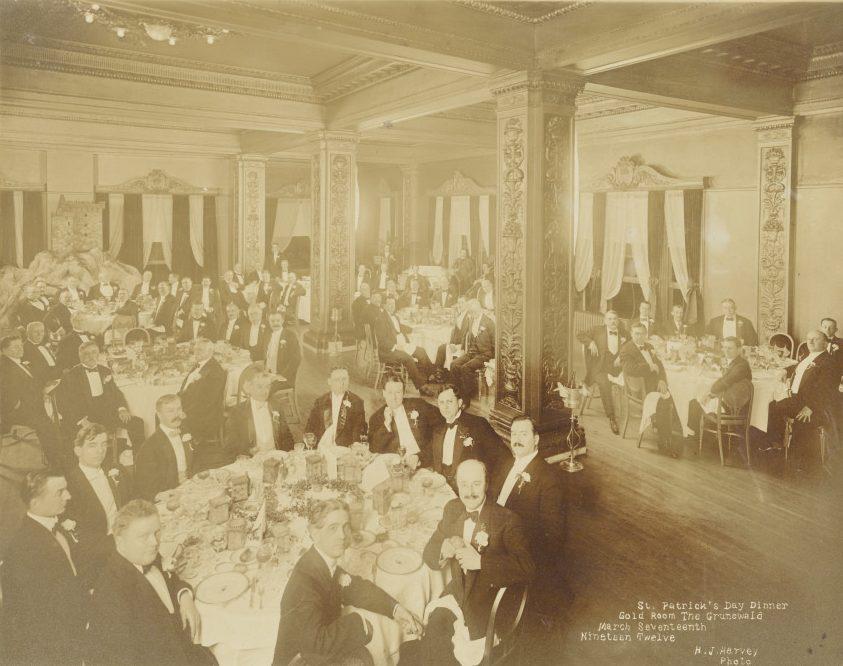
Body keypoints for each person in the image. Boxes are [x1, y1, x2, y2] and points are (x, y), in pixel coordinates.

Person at [401, 460, 534, 666]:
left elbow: (527, 568)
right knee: (434, 629)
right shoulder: (453, 509)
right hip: (458, 593)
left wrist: (481, 562)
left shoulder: (507, 520)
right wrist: (443, 549)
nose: (469, 492)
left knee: (448, 650)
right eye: (464, 484)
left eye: (476, 484)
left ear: (486, 484)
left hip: (487, 607)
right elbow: (429, 553)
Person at [273, 498, 421, 665]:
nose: (342, 535)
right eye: (333, 528)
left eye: (345, 527)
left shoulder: (320, 562)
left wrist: (396, 609)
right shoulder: (305, 582)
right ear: (314, 533)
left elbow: (356, 588)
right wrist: (359, 624)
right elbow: (316, 645)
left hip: (317, 652)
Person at [85, 500, 214, 666]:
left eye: (157, 532)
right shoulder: (111, 597)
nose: (154, 542)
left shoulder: (144, 555)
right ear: (119, 540)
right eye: (143, 536)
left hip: (183, 649)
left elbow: (170, 580)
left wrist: (184, 596)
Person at [0, 471, 86, 665]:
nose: (68, 496)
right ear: (35, 502)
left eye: (66, 489)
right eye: (60, 492)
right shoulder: (25, 549)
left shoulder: (54, 526)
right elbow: (35, 618)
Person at [488, 416, 566, 617]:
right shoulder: (506, 463)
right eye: (514, 434)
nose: (517, 439)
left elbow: (553, 533)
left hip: (518, 548)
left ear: (536, 439)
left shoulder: (549, 477)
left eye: (523, 434)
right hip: (493, 531)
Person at [64, 422, 129, 573]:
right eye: (92, 445)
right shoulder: (69, 485)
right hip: (99, 554)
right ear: (78, 450)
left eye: (103, 444)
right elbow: (80, 538)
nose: (100, 451)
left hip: (126, 536)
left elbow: (132, 501)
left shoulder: (116, 470)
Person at [57, 340, 145, 449]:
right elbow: (63, 403)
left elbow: (115, 392)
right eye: (86, 354)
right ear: (80, 356)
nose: (91, 356)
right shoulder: (71, 375)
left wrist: (122, 409)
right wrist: (81, 420)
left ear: (98, 354)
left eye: (94, 352)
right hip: (86, 416)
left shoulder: (105, 371)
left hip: (106, 414)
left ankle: (139, 457)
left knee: (137, 423)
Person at [766, 330, 839, 456]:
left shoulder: (828, 361)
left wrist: (811, 407)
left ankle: (782, 447)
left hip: (814, 404)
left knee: (775, 407)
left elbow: (828, 389)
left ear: (825, 343)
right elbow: (799, 368)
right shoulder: (810, 356)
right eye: (808, 338)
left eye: (815, 339)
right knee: (772, 405)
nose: (810, 341)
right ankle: (778, 444)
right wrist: (785, 370)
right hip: (798, 398)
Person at [1, 334, 64, 468]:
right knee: (47, 427)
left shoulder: (18, 362)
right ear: (4, 350)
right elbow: (7, 395)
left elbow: (29, 384)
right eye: (15, 347)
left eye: (20, 345)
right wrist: (21, 405)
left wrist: (44, 389)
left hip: (33, 407)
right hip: (19, 414)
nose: (20, 349)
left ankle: (58, 458)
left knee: (56, 416)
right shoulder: (4, 366)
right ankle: (56, 463)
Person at [429, 383, 506, 492]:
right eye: (441, 402)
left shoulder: (478, 424)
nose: (445, 407)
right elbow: (431, 455)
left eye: (449, 402)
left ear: (460, 403)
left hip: (468, 489)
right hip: (441, 485)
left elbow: (502, 456)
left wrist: (491, 489)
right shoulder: (437, 426)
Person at [620, 322, 682, 456]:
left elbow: (660, 365)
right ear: (631, 334)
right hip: (639, 390)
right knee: (664, 402)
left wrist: (662, 380)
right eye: (636, 334)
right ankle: (664, 443)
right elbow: (629, 369)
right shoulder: (626, 349)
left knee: (675, 396)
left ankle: (667, 432)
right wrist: (649, 367)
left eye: (642, 334)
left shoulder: (649, 346)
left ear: (646, 334)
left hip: (653, 385)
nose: (639, 336)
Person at [367, 374, 442, 467]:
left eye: (398, 392)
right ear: (384, 393)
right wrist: (386, 425)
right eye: (390, 392)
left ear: (403, 393)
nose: (394, 397)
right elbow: (374, 449)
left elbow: (441, 424)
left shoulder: (418, 405)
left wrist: (420, 457)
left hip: (424, 463)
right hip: (396, 467)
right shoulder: (376, 418)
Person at [687, 337, 753, 437]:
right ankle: (701, 434)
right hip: (732, 401)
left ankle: (697, 437)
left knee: (694, 402)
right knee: (697, 399)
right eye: (725, 347)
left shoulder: (742, 365)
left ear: (739, 349)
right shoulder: (736, 362)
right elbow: (726, 379)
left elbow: (725, 381)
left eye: (730, 348)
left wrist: (710, 394)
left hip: (733, 407)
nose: (726, 351)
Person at [134, 394, 195, 500]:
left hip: (190, 487)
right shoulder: (149, 448)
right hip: (169, 496)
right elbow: (147, 488)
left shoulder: (185, 431)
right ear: (159, 415)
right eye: (170, 411)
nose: (177, 414)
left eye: (179, 409)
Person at [576, 310, 627, 434]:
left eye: (615, 319)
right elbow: (579, 334)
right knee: (605, 384)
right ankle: (612, 417)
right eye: (609, 319)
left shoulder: (623, 332)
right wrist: (591, 342)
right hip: (599, 368)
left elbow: (631, 343)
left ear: (618, 321)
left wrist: (621, 355)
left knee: (633, 376)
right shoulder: (597, 330)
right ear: (605, 320)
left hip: (617, 368)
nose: (612, 321)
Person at [178, 338, 227, 467]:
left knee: (169, 417)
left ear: (210, 352)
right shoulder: (200, 364)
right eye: (195, 349)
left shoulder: (215, 371)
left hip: (205, 415)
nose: (196, 352)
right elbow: (188, 390)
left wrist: (184, 411)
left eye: (200, 350)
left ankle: (184, 458)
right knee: (163, 411)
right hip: (191, 407)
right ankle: (173, 453)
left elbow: (208, 402)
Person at [224, 371, 294, 457]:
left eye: (267, 387)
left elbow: (287, 437)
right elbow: (230, 445)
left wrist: (286, 456)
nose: (264, 391)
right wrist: (248, 451)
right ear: (249, 388)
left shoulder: (276, 407)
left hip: (276, 457)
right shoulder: (238, 412)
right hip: (252, 460)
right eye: (259, 387)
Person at [373, 296, 435, 391]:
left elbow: (400, 327)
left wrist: (413, 329)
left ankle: (430, 375)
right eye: (389, 304)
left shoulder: (395, 316)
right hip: (388, 351)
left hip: (400, 345)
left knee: (421, 351)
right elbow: (382, 340)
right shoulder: (380, 319)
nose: (391, 306)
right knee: (408, 359)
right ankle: (421, 386)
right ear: (384, 305)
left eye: (393, 304)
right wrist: (396, 346)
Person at [305, 366, 367, 447]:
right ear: (329, 381)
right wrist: (310, 440)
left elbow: (359, 428)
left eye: (344, 379)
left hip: (345, 449)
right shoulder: (320, 402)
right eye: (337, 380)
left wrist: (356, 444)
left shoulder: (356, 402)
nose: (341, 383)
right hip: (323, 447)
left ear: (348, 380)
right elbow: (310, 428)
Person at [449, 299, 495, 398]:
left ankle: (467, 395)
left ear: (480, 309)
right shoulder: (471, 320)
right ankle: (457, 392)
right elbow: (465, 335)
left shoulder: (489, 322)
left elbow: (494, 343)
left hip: (484, 354)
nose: (473, 314)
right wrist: (462, 349)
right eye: (471, 312)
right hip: (472, 353)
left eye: (475, 312)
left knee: (466, 368)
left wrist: (493, 359)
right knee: (454, 364)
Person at [263, 310, 301, 389]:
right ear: (269, 322)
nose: (275, 323)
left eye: (278, 320)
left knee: (263, 388)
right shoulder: (268, 335)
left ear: (282, 321)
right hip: (269, 373)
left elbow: (296, 359)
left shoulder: (290, 335)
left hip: (284, 377)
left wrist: (282, 375)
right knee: (252, 383)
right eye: (272, 321)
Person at [23, 320, 61, 384]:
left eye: (42, 331)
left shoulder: (44, 345)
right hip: (44, 383)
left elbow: (52, 363)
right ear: (27, 333)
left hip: (56, 379)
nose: (39, 334)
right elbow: (29, 372)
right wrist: (45, 382)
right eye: (35, 332)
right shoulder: (24, 349)